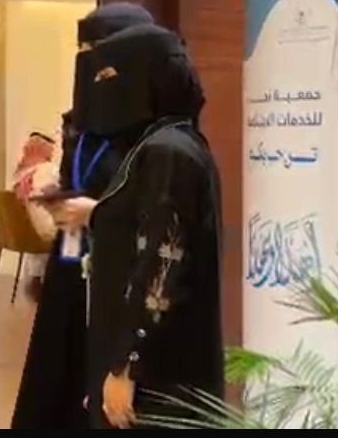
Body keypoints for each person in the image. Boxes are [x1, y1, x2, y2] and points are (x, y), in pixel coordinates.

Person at [50, 23, 223, 429]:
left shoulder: (168, 153)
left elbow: (162, 263)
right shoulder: (165, 144)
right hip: (150, 367)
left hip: (158, 377)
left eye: (110, 76)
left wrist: (125, 367)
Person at [11, 2, 153, 429]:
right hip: (70, 266)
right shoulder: (81, 124)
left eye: (99, 54)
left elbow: (151, 207)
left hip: (119, 275)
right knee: (58, 382)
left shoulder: (150, 131)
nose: (92, 69)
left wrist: (97, 213)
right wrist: (60, 199)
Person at [11, 132, 59, 297]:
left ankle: (37, 277)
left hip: (26, 232)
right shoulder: (48, 170)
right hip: (45, 231)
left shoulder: (18, 175)